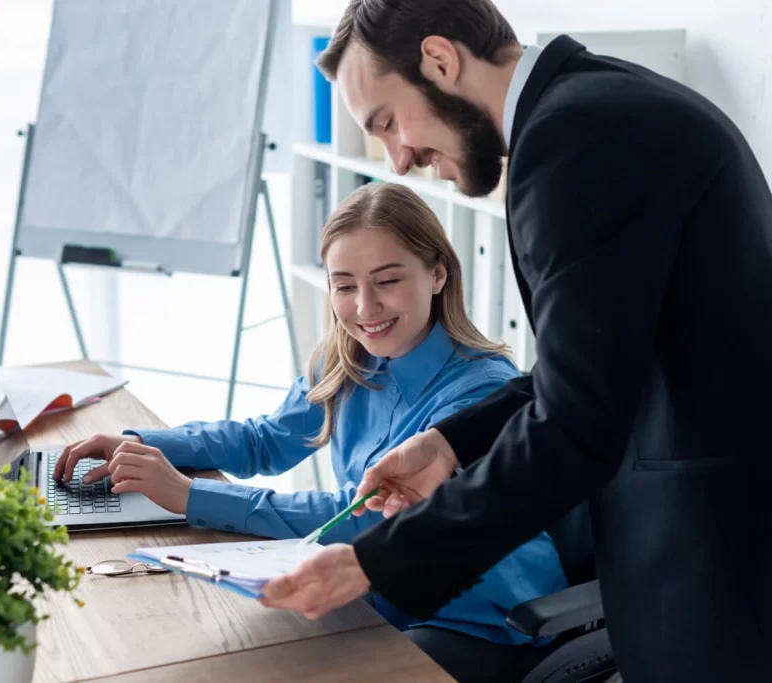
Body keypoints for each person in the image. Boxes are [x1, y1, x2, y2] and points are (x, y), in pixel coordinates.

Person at [260, 1, 772, 681]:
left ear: (441, 60)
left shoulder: (573, 142)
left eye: (388, 122)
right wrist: (448, 443)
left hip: (711, 574)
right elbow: (594, 364)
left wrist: (375, 560)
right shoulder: (598, 104)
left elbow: (575, 420)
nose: (400, 159)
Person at [53, 182, 569, 681]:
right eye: (345, 286)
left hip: (480, 620)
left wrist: (190, 495)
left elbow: (367, 521)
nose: (365, 309)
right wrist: (142, 445)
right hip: (377, 596)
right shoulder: (348, 360)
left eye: (388, 281)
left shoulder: (483, 393)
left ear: (438, 274)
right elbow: (265, 440)